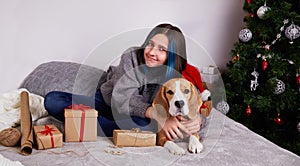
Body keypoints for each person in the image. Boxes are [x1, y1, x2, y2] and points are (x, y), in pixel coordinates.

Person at [44, 23, 208, 141]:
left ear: (172, 56)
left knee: (143, 126)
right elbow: (121, 99)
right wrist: (159, 116)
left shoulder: (176, 76)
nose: (151, 52)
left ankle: (81, 124)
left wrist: (198, 120)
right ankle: (93, 124)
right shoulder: (131, 56)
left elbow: (197, 102)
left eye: (162, 49)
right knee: (52, 100)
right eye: (150, 44)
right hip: (108, 103)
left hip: (139, 117)